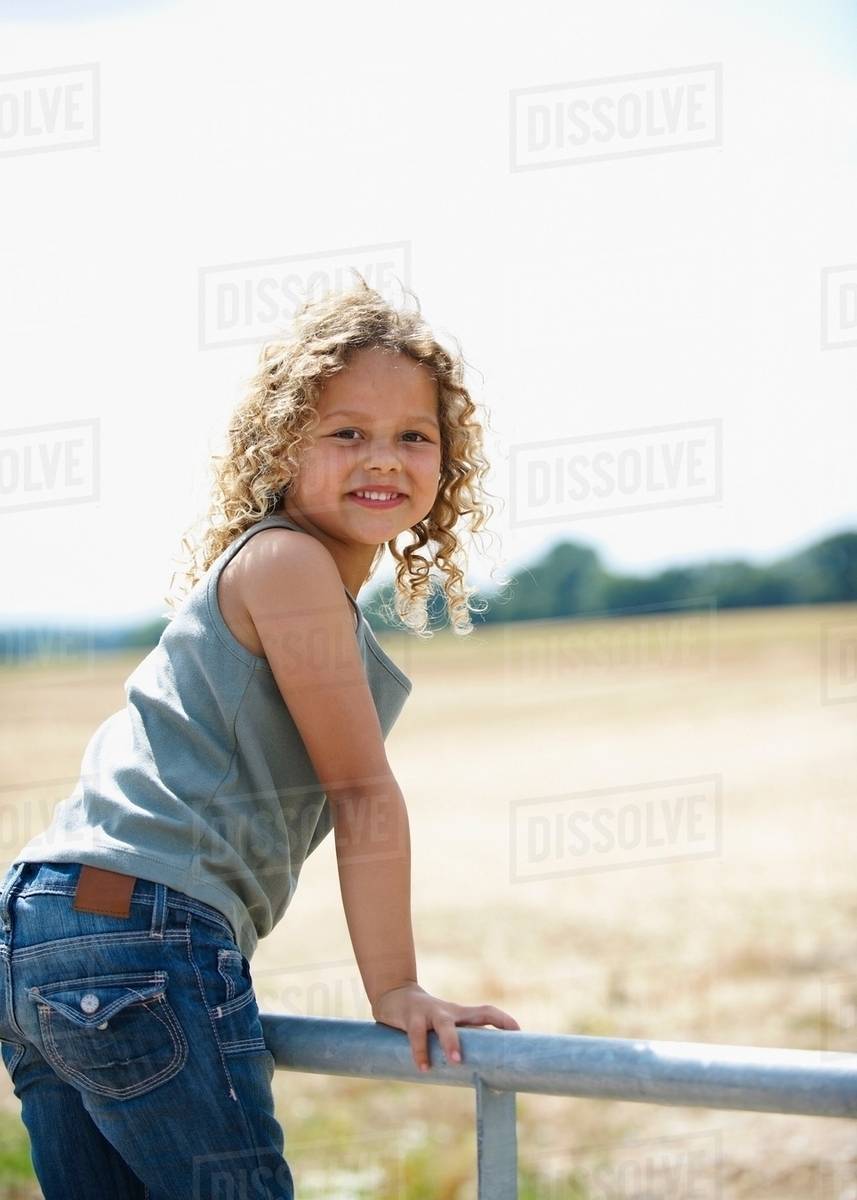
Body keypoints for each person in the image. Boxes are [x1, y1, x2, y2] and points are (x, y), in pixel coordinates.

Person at [0, 273, 521, 1198]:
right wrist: (396, 990)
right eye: (346, 432)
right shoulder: (286, 564)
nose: (384, 458)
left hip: (51, 928)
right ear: (281, 447)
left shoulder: (282, 571)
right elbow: (362, 792)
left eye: (414, 435)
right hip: (135, 932)